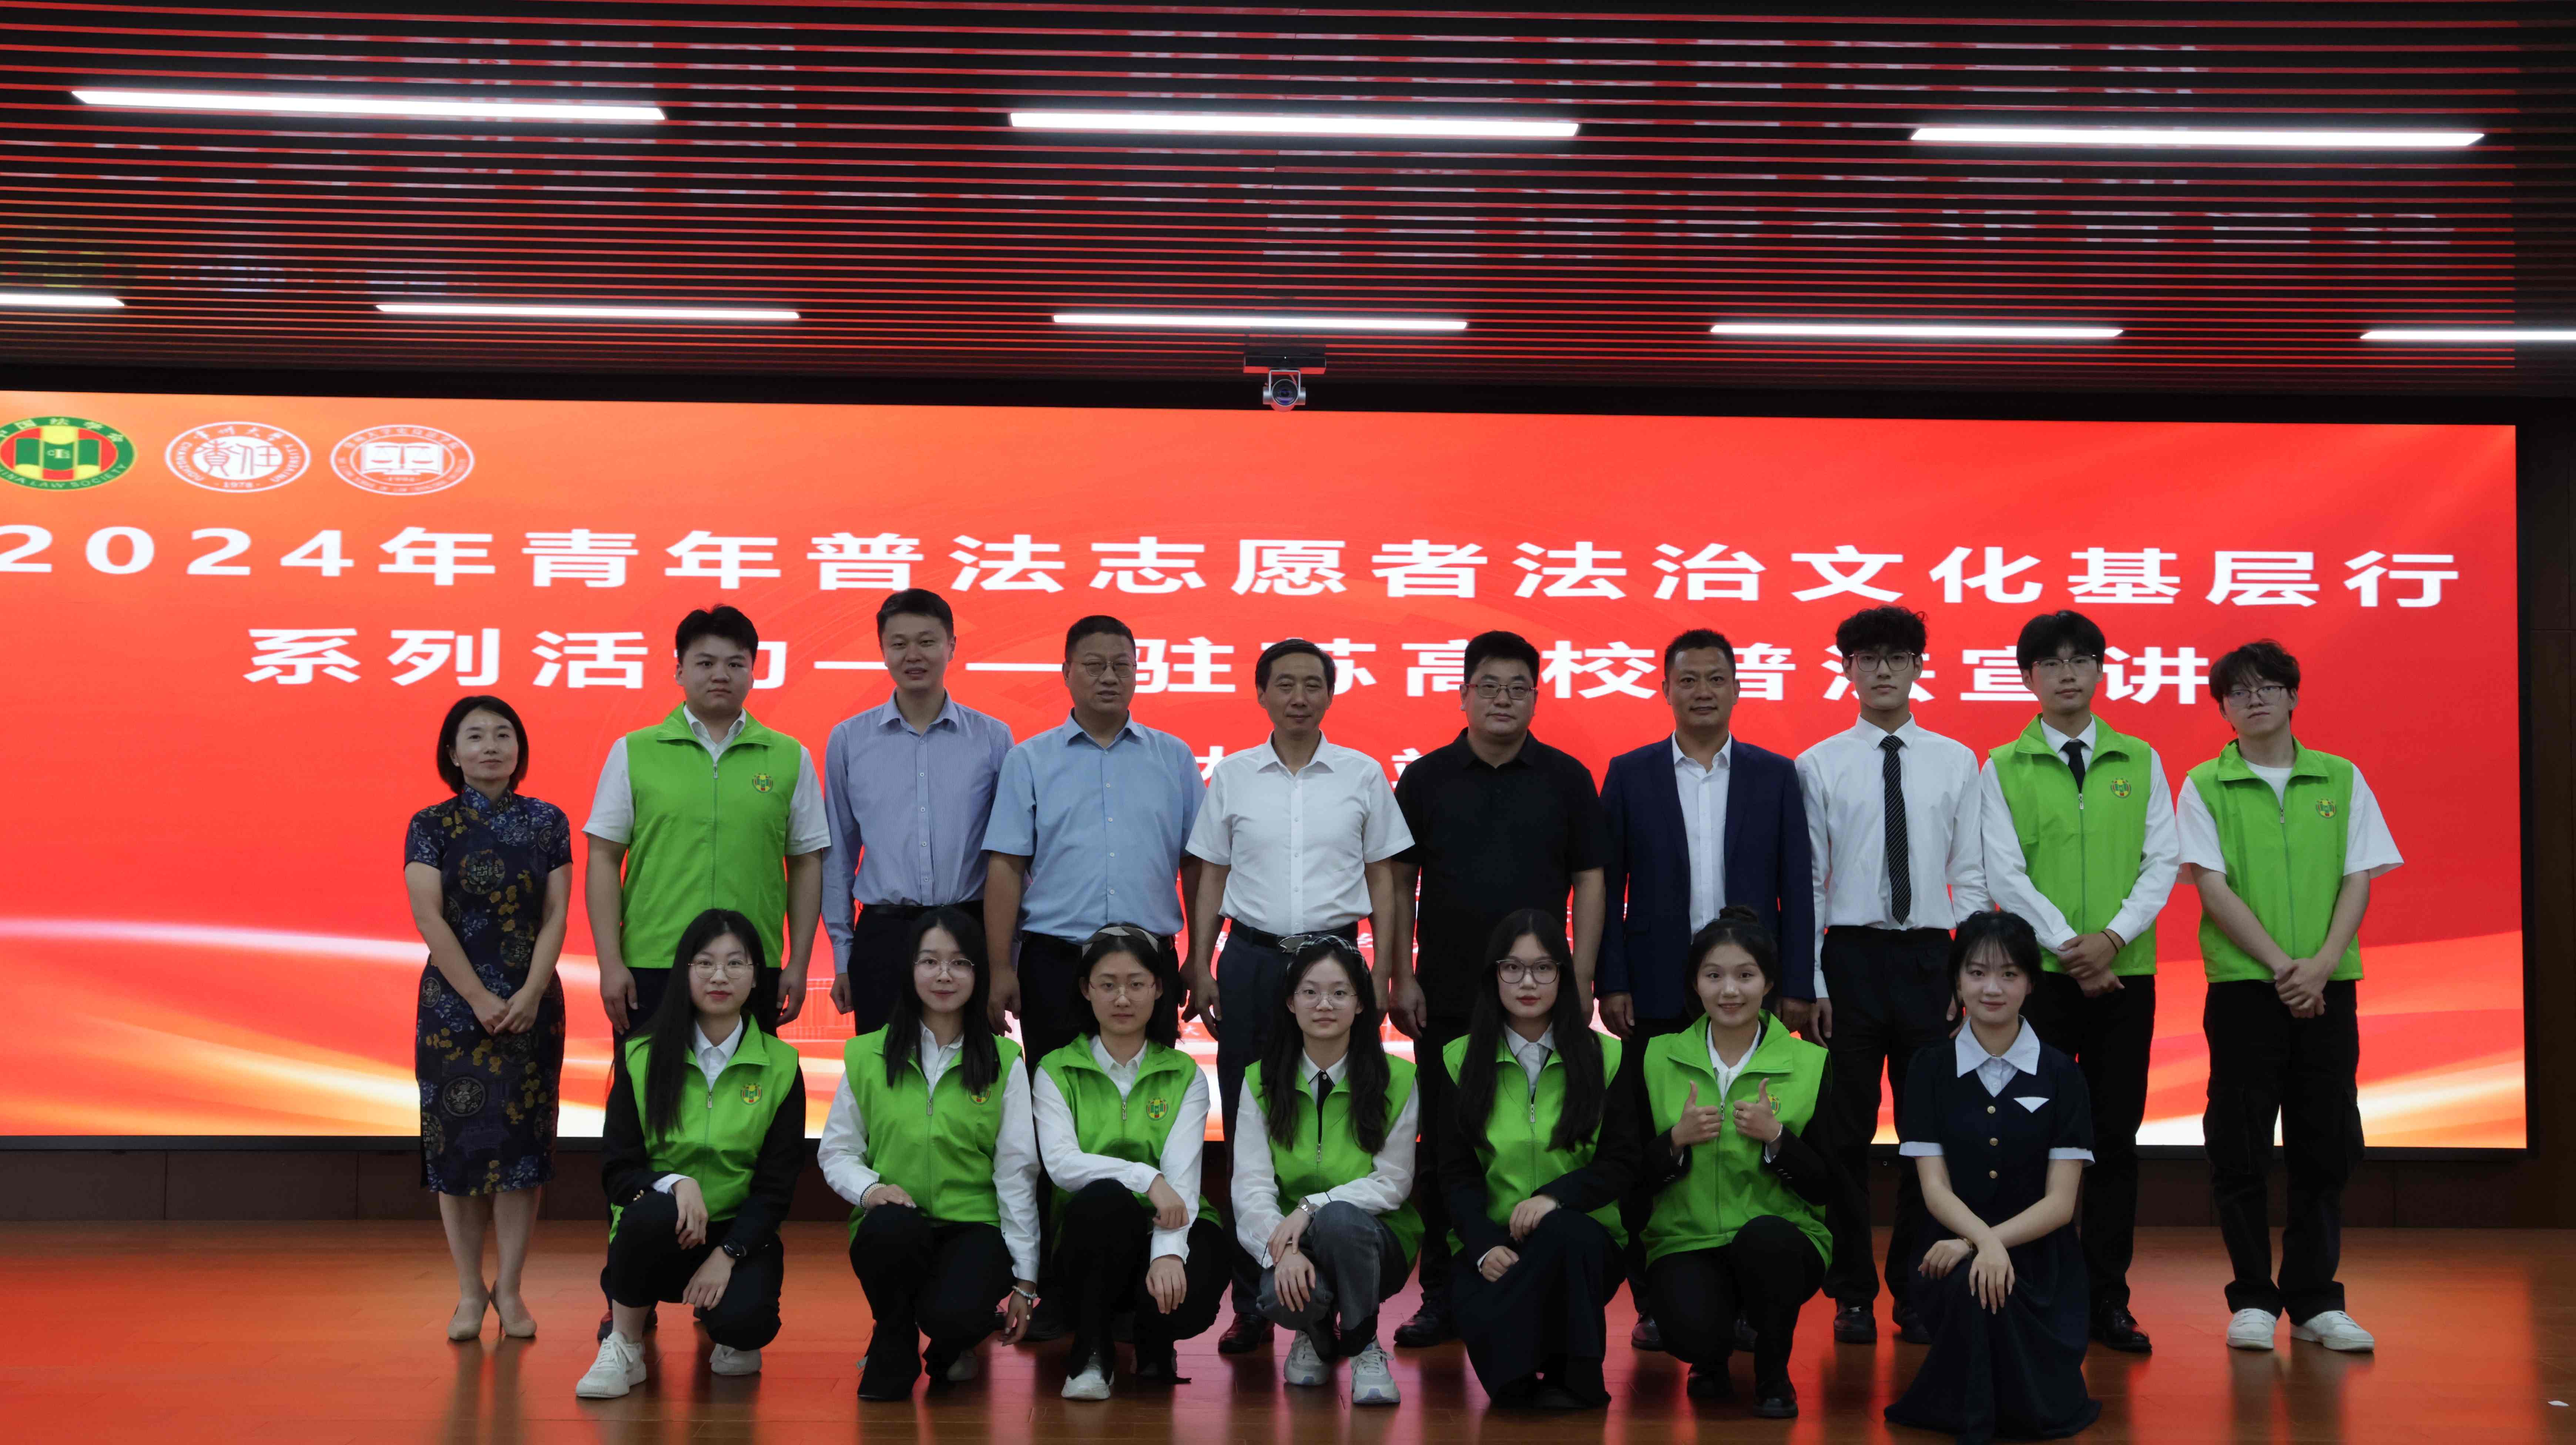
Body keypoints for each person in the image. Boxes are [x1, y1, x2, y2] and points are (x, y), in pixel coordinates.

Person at [1184, 638, 1412, 1354]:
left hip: (1337, 961)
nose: (1299, 697)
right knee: (1250, 1117)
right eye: (1285, 684)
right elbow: (1211, 873)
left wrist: (1386, 970)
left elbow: (1384, 877)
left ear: (1330, 694)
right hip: (1252, 960)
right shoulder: (1233, 775)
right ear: (1262, 693)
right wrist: (1200, 961)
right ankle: (1255, 1299)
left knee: (1348, 1107)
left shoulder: (1362, 773)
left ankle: (1344, 1276)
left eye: (1313, 684)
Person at [982, 613, 1204, 1340]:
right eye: (1094, 664)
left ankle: (1148, 1274)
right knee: (1059, 1129)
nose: (1109, 676)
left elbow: (1198, 865)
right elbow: (1007, 864)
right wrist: (1000, 964)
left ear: (1139, 670)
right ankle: (1058, 1287)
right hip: (1056, 962)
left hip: (1148, 965)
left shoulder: (1173, 758)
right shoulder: (1032, 759)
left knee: (1148, 1114)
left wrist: (1199, 958)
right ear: (1067, 672)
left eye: (1122, 664)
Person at [1386, 628, 1606, 1347]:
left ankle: (1543, 1275)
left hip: (1545, 997)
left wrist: (1581, 974)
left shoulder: (1567, 777)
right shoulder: (1426, 778)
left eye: (1519, 687)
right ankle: (1442, 1291)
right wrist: (1400, 972)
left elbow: (1591, 879)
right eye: (1489, 685)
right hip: (1449, 993)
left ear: (1537, 696)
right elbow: (1399, 882)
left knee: (1550, 1136)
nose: (1503, 699)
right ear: (1464, 694)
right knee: (1445, 1149)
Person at [1597, 628, 1814, 1351]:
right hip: (1657, 985)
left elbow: (1797, 888)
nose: (1702, 691)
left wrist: (1796, 983)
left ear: (1737, 688)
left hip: (1751, 987)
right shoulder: (1629, 773)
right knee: (1656, 1144)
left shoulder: (1774, 774)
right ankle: (1657, 1299)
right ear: (1665, 689)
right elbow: (1609, 888)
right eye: (1687, 679)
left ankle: (1750, 1295)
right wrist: (1612, 980)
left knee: (1752, 1138)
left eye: (1715, 678)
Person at [2181, 640, 2400, 1355]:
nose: (2255, 698)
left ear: (2293, 696)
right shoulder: (2204, 784)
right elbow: (2212, 886)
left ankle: (2314, 1299)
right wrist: (2284, 966)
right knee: (2240, 1146)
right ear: (2223, 706)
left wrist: (2323, 964)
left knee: (2325, 1143)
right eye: (2239, 690)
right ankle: (2251, 1296)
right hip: (2246, 990)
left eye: (2268, 686)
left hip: (2329, 987)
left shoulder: (2341, 776)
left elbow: (2359, 875)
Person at [1978, 610, 2177, 1355]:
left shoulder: (2142, 759)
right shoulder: (2002, 764)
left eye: (2081, 659)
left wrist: (2112, 939)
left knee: (2115, 1139)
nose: (2067, 673)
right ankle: (2037, 1291)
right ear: (2028, 676)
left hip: (2126, 978)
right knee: (2035, 1138)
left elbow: (2163, 860)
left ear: (2100, 669)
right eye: (2051, 662)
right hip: (2044, 984)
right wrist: (2070, 946)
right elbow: (2004, 871)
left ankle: (2107, 1298)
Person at [1795, 604, 1988, 1344]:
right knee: (1842, 1135)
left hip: (1930, 958)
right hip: (1848, 958)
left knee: (1927, 1133)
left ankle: (1915, 1288)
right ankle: (1851, 1291)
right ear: (1846, 668)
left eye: (1897, 656)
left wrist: (1965, 974)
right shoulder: (1818, 763)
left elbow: (1970, 874)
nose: (1882, 670)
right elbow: (1811, 882)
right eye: (1868, 657)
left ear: (1918, 667)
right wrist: (1815, 982)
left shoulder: (1956, 759)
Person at [1613, 906, 1856, 1419]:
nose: (1730, 991)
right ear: (1695, 983)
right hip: (1687, 1238)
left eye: (1746, 976)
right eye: (1714, 976)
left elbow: (1827, 1184)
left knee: (1765, 1242)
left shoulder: (1810, 1062)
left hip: (1783, 1239)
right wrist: (1675, 1142)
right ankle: (1711, 1356)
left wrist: (1777, 1140)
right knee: (1691, 1332)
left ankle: (1773, 1373)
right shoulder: (1655, 1057)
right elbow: (1630, 1175)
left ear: (1768, 982)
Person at [1884, 911, 2101, 1444]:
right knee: (1972, 1284)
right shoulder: (1929, 1068)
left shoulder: (2063, 1074)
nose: (1992, 988)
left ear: (2031, 983)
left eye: (2009, 974)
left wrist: (1983, 1244)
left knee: (1991, 1289)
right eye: (1977, 973)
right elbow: (1933, 1188)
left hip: (2042, 1261)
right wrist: (1975, 1244)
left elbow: (2061, 1204)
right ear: (1957, 982)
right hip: (1945, 1252)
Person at [576, 909, 806, 1399]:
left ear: (755, 977)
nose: (719, 976)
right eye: (705, 963)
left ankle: (729, 1326)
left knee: (746, 1327)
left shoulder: (782, 1065)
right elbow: (617, 1171)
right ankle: (625, 1345)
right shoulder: (640, 1055)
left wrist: (729, 1252)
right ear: (685, 972)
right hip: (661, 1228)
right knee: (648, 1212)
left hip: (736, 1233)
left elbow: (776, 1186)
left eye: (735, 964)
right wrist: (677, 1183)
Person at [818, 906, 1042, 1400]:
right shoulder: (868, 1054)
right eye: (930, 961)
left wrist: (1026, 1280)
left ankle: (951, 1344)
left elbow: (1016, 1172)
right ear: (910, 968)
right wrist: (871, 1190)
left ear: (979, 974)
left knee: (955, 1315)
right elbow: (837, 1152)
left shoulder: (1004, 1060)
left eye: (960, 963)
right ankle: (893, 1334)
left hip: (974, 1226)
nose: (944, 975)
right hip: (897, 1220)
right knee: (889, 1230)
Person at [406, 695, 571, 1342]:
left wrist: (530, 993)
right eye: (475, 736)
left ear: (519, 749)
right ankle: (470, 1291)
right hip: (453, 1009)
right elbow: (429, 916)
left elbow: (555, 915)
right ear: (452, 752)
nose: (491, 746)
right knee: (458, 1152)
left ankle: (511, 1287)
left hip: (533, 1005)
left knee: (522, 1151)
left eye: (503, 734)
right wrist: (477, 997)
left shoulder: (547, 821)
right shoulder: (431, 824)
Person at [584, 604, 830, 1037]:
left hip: (750, 964)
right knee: (650, 1080)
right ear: (680, 671)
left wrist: (798, 963)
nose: (721, 674)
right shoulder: (634, 751)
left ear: (753, 673)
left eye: (735, 664)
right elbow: (603, 858)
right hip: (653, 962)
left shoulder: (790, 756)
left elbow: (806, 862)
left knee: (749, 1080)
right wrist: (610, 963)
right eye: (705, 663)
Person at [1428, 910, 1639, 1409]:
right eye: (1513, 968)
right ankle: (1523, 1367)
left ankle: (1579, 1376)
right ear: (1494, 975)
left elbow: (1623, 1162)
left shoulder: (1607, 1058)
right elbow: (1453, 1172)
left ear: (1563, 977)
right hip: (1494, 1241)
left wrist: (1554, 1198)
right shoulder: (1458, 1059)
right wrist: (1482, 1245)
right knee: (1510, 1389)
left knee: (1565, 1233)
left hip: (1583, 1242)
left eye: (1544, 968)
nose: (1528, 982)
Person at [1032, 925, 1229, 1399]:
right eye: (1108, 984)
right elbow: (1063, 1165)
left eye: (1137, 983)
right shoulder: (1055, 1069)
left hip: (1171, 1219)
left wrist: (1167, 1253)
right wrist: (1146, 1177)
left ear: (1158, 988)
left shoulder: (1183, 1073)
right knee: (1104, 1199)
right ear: (1087, 989)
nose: (1123, 998)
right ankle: (1092, 1352)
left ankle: (1154, 1338)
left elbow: (1182, 1183)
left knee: (1193, 1277)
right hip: (1091, 1234)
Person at [1232, 938, 1422, 1406]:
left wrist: (1311, 1207)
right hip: (1290, 1240)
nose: (1324, 1004)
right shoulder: (1260, 1080)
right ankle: (1316, 1333)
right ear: (1290, 1001)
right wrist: (1284, 1252)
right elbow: (1251, 1187)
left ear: (1361, 1004)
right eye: (1310, 991)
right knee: (1278, 1295)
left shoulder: (1398, 1079)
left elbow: (1393, 1183)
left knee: (1339, 1221)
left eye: (1340, 993)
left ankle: (1363, 1344)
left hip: (1374, 1240)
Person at [821, 588, 1014, 1037]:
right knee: (883, 1069)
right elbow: (838, 856)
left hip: (970, 932)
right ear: (883, 649)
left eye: (927, 641)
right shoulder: (849, 740)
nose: (913, 655)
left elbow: (1011, 860)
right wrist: (844, 958)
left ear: (951, 646)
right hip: (884, 936)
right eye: (899, 643)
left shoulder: (993, 738)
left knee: (973, 1068)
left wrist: (1008, 960)